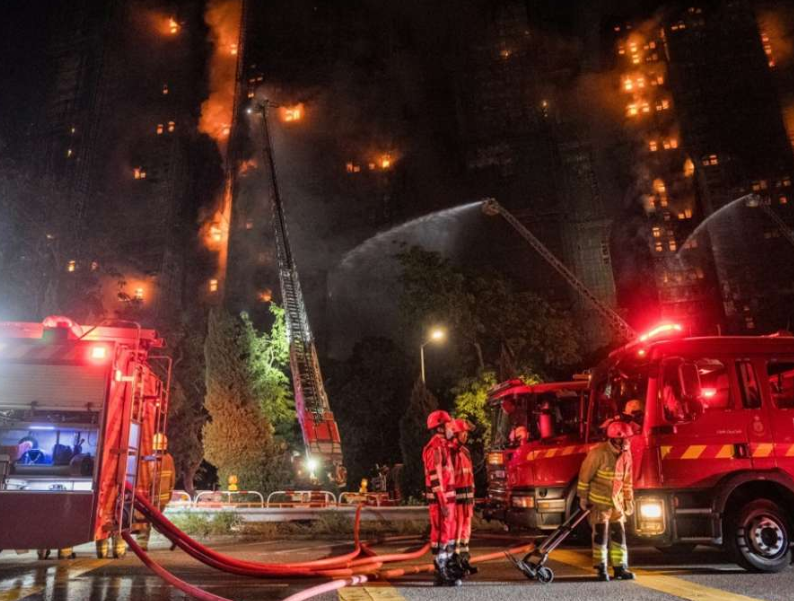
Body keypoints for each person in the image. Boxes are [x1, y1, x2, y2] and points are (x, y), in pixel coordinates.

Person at [577, 420, 636, 582]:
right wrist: (583, 497)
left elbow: (627, 481)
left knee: (619, 535)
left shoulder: (626, 455)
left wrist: (629, 500)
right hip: (599, 504)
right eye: (625, 439)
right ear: (615, 439)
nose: (627, 441)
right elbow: (584, 476)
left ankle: (620, 568)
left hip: (616, 504)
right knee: (600, 536)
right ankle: (601, 568)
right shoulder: (598, 453)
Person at [423, 410, 460, 586]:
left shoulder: (444, 445)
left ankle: (448, 566)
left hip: (448, 501)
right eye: (448, 424)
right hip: (441, 502)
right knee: (441, 535)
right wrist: (443, 502)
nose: (451, 428)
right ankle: (441, 568)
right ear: (439, 427)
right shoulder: (435, 447)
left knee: (449, 534)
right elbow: (435, 477)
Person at [450, 418, 477, 577]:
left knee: (466, 529)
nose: (466, 435)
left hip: (467, 499)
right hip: (457, 499)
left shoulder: (465, 452)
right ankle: (455, 559)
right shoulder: (451, 453)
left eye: (466, 432)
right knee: (457, 529)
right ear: (455, 433)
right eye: (463, 432)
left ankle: (465, 558)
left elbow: (470, 476)